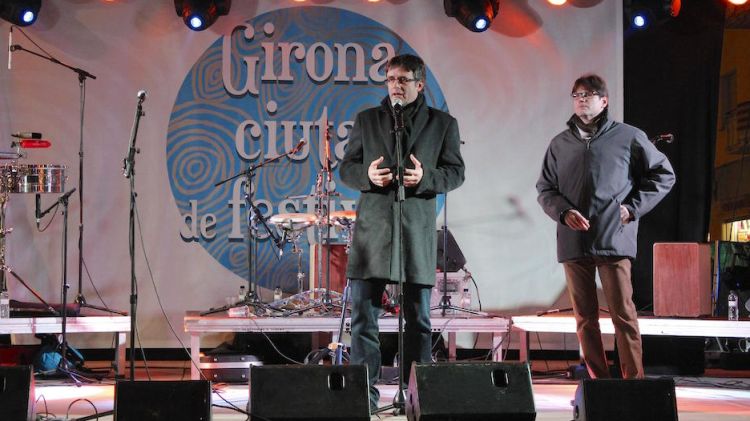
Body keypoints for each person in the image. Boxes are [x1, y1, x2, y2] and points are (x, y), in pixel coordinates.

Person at [339, 54, 465, 410]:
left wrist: (426, 179)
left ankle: (415, 396)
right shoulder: (368, 120)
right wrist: (368, 177)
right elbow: (346, 168)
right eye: (391, 79)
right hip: (373, 232)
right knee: (365, 319)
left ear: (419, 84)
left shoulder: (442, 124)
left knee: (418, 320)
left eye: (404, 80)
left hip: (415, 231)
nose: (396, 85)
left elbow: (455, 172)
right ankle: (364, 397)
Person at [536, 74, 675, 379]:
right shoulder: (560, 143)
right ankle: (598, 384)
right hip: (574, 242)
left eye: (588, 94)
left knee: (623, 315)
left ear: (604, 100)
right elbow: (545, 189)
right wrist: (563, 212)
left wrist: (632, 208)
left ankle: (633, 382)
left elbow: (663, 175)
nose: (582, 99)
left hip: (613, 239)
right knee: (585, 319)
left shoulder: (628, 136)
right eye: (576, 94)